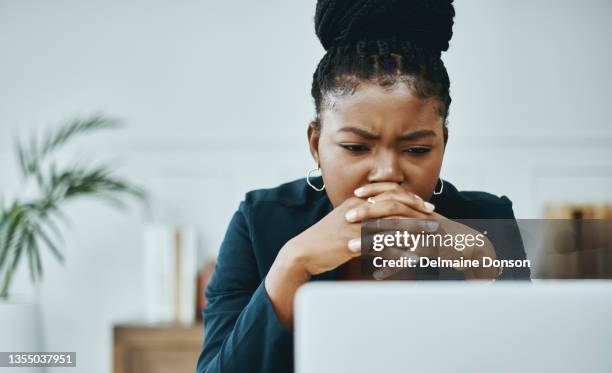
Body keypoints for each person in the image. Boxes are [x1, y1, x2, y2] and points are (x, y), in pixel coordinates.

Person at [196, 1, 529, 372]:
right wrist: (292, 265)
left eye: (416, 149)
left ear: (443, 146)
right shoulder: (259, 222)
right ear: (315, 145)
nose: (387, 173)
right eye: (356, 147)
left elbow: (535, 358)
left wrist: (480, 264)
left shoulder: (488, 220)